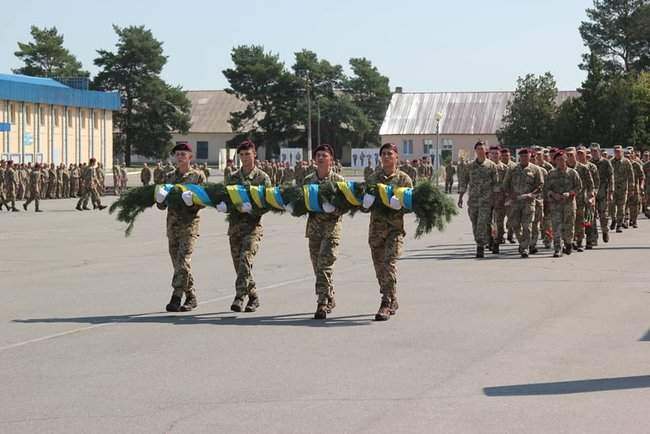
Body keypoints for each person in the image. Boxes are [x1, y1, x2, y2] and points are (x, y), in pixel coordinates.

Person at [218, 140, 271, 313]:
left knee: (245, 260)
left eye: (247, 154)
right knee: (239, 265)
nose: (244, 158)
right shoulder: (233, 177)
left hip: (253, 227)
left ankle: (240, 296)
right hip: (234, 228)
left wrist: (254, 209)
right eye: (241, 155)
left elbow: (269, 202)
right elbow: (226, 196)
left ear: (254, 154)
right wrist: (224, 205)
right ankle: (253, 296)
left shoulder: (262, 177)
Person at [363, 143, 413, 321]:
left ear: (396, 157)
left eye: (389, 154)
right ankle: (392, 298)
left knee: (389, 265)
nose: (386, 157)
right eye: (383, 154)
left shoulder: (404, 179)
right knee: (379, 270)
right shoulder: (372, 178)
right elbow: (364, 205)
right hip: (376, 230)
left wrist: (401, 204)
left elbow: (411, 205)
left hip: (394, 230)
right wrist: (365, 203)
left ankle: (385, 302)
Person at [155, 143, 207, 312]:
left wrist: (192, 203)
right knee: (177, 263)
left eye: (183, 154)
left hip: (190, 225)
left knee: (183, 261)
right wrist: (160, 200)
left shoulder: (198, 176)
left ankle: (176, 297)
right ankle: (191, 296)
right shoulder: (169, 176)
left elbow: (205, 201)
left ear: (190, 157)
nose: (179, 157)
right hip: (172, 225)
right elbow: (162, 206)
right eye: (177, 154)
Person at [303, 144, 345, 320]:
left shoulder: (338, 181)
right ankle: (329, 295)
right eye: (318, 155)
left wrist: (333, 209)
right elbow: (301, 201)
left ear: (331, 160)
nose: (321, 158)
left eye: (324, 155)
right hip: (313, 229)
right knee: (316, 266)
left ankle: (321, 303)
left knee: (324, 266)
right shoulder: (308, 180)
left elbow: (346, 205)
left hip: (331, 229)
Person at [458, 141, 498, 258]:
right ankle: (486, 237)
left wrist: (495, 200)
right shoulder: (469, 166)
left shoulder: (491, 166)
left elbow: (496, 184)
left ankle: (480, 247)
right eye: (478, 148)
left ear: (486, 150)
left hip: (486, 200)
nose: (480, 150)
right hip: (473, 200)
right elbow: (464, 181)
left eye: (482, 148)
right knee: (475, 223)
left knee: (482, 222)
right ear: (475, 151)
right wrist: (460, 197)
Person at [502, 148, 544, 257]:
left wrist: (532, 194)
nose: (524, 158)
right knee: (515, 225)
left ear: (530, 156)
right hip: (515, 202)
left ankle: (524, 248)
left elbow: (540, 186)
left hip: (529, 202)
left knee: (527, 226)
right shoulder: (512, 169)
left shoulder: (535, 169)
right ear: (519, 158)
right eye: (522, 156)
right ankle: (522, 242)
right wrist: (510, 195)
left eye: (527, 156)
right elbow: (505, 185)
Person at [544, 151, 582, 257]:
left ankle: (568, 243)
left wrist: (569, 193)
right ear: (555, 161)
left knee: (569, 226)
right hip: (555, 205)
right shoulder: (551, 173)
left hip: (569, 204)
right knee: (556, 226)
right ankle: (557, 248)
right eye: (558, 160)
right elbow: (546, 189)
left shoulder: (573, 173)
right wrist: (552, 194)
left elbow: (579, 187)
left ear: (566, 159)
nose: (561, 161)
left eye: (562, 159)